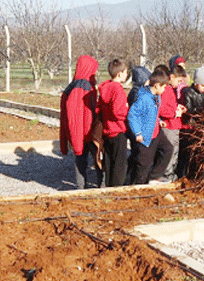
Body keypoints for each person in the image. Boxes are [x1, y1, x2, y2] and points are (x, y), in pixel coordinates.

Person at [60, 55, 103, 189]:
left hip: (80, 133)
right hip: (87, 132)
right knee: (97, 159)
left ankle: (81, 186)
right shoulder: (81, 89)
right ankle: (101, 185)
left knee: (81, 161)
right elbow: (77, 116)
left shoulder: (72, 86)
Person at [127, 69, 173, 185]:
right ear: (157, 86)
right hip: (145, 136)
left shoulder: (156, 96)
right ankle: (137, 189)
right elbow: (133, 115)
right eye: (163, 87)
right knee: (143, 166)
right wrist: (138, 133)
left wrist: (158, 120)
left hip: (156, 131)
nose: (164, 90)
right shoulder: (143, 98)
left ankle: (153, 177)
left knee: (167, 149)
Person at [98, 59, 129, 187]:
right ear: (120, 73)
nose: (127, 75)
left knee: (109, 162)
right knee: (120, 165)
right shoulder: (118, 89)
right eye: (126, 72)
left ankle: (109, 187)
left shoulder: (105, 88)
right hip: (118, 130)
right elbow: (118, 112)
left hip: (107, 130)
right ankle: (116, 190)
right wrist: (127, 109)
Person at [177, 67, 204, 177]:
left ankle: (195, 174)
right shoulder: (188, 93)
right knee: (186, 153)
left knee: (197, 152)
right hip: (189, 127)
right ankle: (182, 175)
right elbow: (188, 110)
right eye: (203, 85)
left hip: (200, 126)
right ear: (196, 83)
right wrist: (202, 108)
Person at [158, 65, 187, 182]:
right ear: (171, 77)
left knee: (174, 152)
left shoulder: (170, 90)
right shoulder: (166, 90)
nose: (179, 83)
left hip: (174, 126)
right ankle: (166, 176)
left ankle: (169, 174)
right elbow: (162, 109)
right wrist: (175, 113)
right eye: (178, 80)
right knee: (170, 152)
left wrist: (177, 107)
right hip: (169, 126)